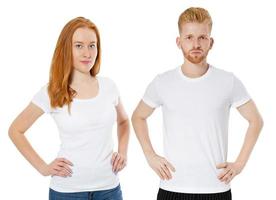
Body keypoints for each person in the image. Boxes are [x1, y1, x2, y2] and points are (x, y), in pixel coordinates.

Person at [131, 7, 263, 200]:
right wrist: (150, 155)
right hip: (172, 186)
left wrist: (239, 164)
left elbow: (256, 121)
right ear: (179, 42)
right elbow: (138, 116)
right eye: (189, 37)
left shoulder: (228, 81)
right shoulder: (162, 82)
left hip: (215, 188)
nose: (196, 44)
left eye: (202, 37)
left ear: (211, 42)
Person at [8, 17, 129, 200]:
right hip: (68, 192)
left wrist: (123, 152)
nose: (87, 53)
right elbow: (15, 130)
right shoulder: (52, 92)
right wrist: (43, 168)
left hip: (109, 190)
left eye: (92, 45)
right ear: (67, 49)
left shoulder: (109, 87)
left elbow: (124, 121)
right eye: (79, 45)